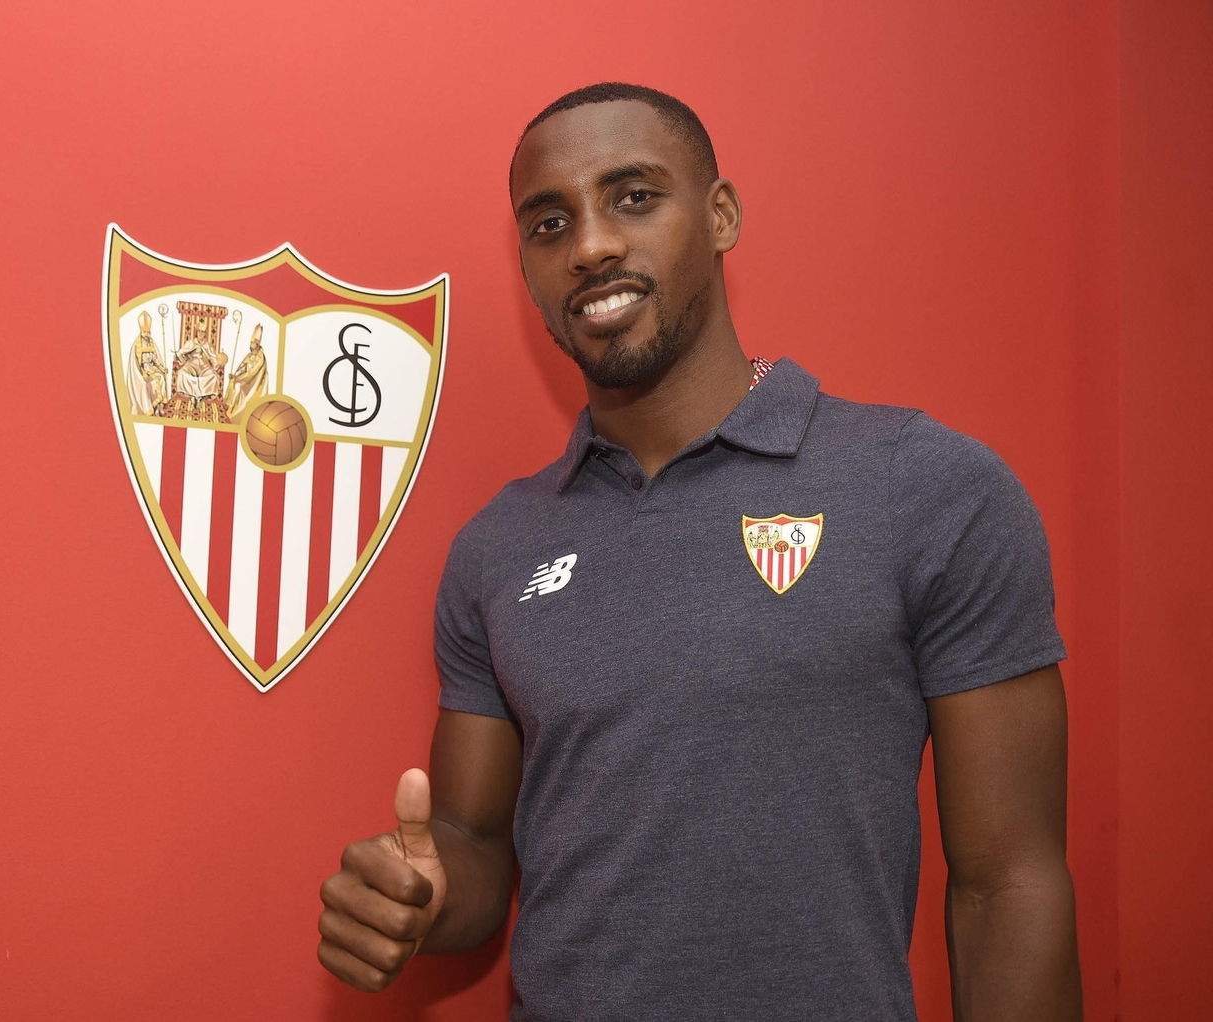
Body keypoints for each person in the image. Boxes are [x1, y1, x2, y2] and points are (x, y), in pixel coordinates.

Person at [316, 83, 1082, 1021]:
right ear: (527, 267)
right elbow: (473, 840)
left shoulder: (928, 488)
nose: (591, 243)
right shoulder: (498, 546)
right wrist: (417, 897)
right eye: (550, 222)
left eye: (633, 197)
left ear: (720, 216)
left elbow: (1010, 885)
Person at [224, 324, 269, 420]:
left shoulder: (260, 357)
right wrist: (235, 375)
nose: (251, 348)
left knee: (238, 386)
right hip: (245, 378)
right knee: (233, 381)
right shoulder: (250, 355)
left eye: (253, 346)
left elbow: (252, 372)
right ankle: (228, 405)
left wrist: (239, 378)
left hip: (253, 383)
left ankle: (235, 411)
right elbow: (242, 367)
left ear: (257, 345)